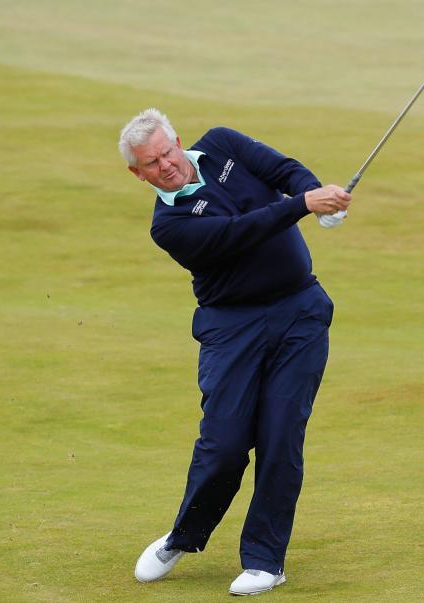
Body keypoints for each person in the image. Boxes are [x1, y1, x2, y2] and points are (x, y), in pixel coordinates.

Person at [118, 108, 351, 596]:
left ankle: (266, 560)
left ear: (178, 141)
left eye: (167, 152)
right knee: (223, 444)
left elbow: (282, 170)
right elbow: (239, 233)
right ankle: (185, 536)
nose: (166, 165)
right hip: (232, 327)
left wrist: (320, 197)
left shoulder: (223, 143)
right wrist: (304, 205)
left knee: (281, 435)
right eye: (152, 163)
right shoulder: (169, 226)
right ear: (137, 173)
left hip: (299, 314)